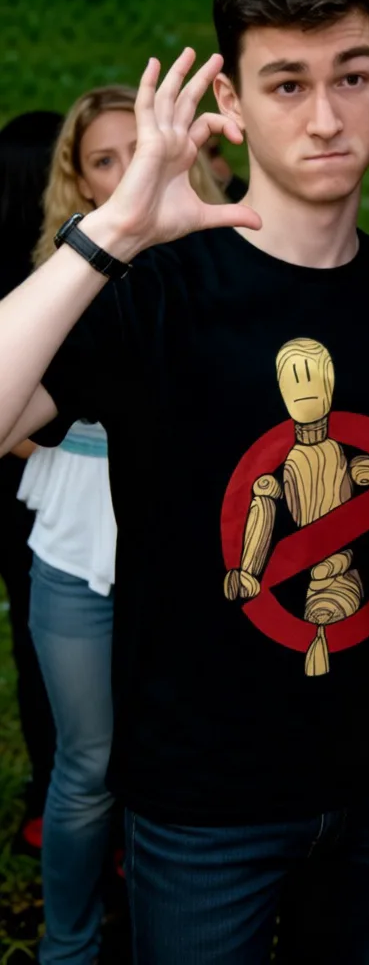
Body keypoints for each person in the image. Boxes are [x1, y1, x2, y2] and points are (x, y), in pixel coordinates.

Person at [0, 0, 369, 965]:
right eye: (286, 84)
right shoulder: (156, 291)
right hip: (201, 804)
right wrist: (112, 233)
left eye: (351, 76)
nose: (324, 117)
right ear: (230, 102)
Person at [19, 84, 223, 965]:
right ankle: (68, 947)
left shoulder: (232, 257)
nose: (130, 169)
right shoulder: (66, 279)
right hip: (79, 546)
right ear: (83, 181)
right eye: (105, 159)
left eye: (141, 148)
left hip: (187, 549)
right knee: (89, 767)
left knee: (179, 763)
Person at [0, 111, 59, 853]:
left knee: (32, 641)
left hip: (22, 491)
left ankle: (49, 793)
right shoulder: (54, 273)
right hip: (39, 489)